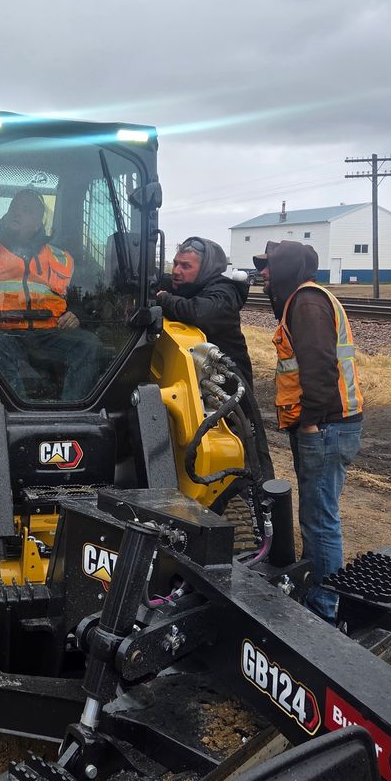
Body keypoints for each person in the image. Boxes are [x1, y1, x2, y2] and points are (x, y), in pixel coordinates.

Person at [253, 239, 364, 623]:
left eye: (268, 266)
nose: (262, 273)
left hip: (326, 427)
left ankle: (323, 610)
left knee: (320, 522)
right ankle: (319, 593)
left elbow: (319, 365)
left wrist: (313, 421)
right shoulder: (299, 300)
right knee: (317, 518)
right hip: (324, 425)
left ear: (286, 268)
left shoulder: (307, 302)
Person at [155, 237, 274, 480]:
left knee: (241, 453)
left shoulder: (224, 291)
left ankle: (253, 501)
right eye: (175, 264)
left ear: (206, 268)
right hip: (199, 387)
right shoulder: (186, 286)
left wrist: (163, 298)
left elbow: (200, 313)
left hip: (228, 390)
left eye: (186, 266)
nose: (176, 271)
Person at [0, 188, 101, 401]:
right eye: (14, 207)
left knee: (89, 345)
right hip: (0, 330)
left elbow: (83, 295)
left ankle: (70, 410)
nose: (17, 212)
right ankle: (18, 410)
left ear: (38, 223)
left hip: (48, 334)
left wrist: (76, 313)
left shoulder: (61, 258)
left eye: (26, 210)